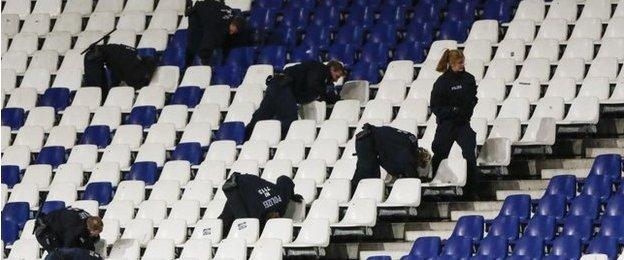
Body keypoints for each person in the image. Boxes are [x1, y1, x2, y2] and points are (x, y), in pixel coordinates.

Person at [246, 60, 347, 138]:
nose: (336, 80)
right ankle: (283, 142)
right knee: (289, 118)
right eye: (337, 76)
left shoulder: (318, 72)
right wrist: (331, 97)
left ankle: (246, 135)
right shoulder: (320, 69)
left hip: (276, 84)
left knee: (263, 113)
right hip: (284, 86)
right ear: (332, 69)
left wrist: (328, 97)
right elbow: (314, 85)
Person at [429, 49, 480, 198]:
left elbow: (473, 99)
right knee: (440, 154)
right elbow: (436, 107)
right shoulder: (441, 82)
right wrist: (452, 111)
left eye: (462, 62)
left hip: (463, 123)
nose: (462, 65)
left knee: (469, 153)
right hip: (447, 124)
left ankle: (472, 190)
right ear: (451, 64)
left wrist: (465, 111)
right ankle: (435, 187)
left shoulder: (469, 79)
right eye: (459, 63)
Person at [351, 123, 432, 191]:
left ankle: (355, 193)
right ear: (419, 161)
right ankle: (354, 194)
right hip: (367, 140)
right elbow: (411, 176)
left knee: (371, 175)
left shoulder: (411, 140)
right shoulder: (408, 156)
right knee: (368, 176)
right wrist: (418, 179)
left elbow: (389, 161)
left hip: (368, 136)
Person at [219, 173, 303, 232]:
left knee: (243, 222)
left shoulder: (282, 198)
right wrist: (291, 195)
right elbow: (284, 179)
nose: (277, 216)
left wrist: (291, 195)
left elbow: (284, 179)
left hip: (248, 186)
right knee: (240, 222)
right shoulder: (283, 199)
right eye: (277, 217)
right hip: (235, 185)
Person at [185, 0, 251, 66]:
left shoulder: (232, 14)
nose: (232, 33)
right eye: (232, 30)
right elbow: (208, 38)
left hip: (211, 6)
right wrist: (205, 62)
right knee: (194, 43)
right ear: (232, 24)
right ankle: (187, 64)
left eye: (235, 32)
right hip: (197, 13)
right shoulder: (217, 26)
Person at [84, 43, 158, 100]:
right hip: (124, 67)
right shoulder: (130, 56)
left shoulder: (130, 56)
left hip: (130, 73)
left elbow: (120, 74)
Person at [34, 207, 103, 254]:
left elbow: (89, 242)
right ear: (90, 230)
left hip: (61, 227)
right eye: (95, 233)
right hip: (45, 230)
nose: (96, 235)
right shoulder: (74, 227)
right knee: (59, 254)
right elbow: (67, 248)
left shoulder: (90, 220)